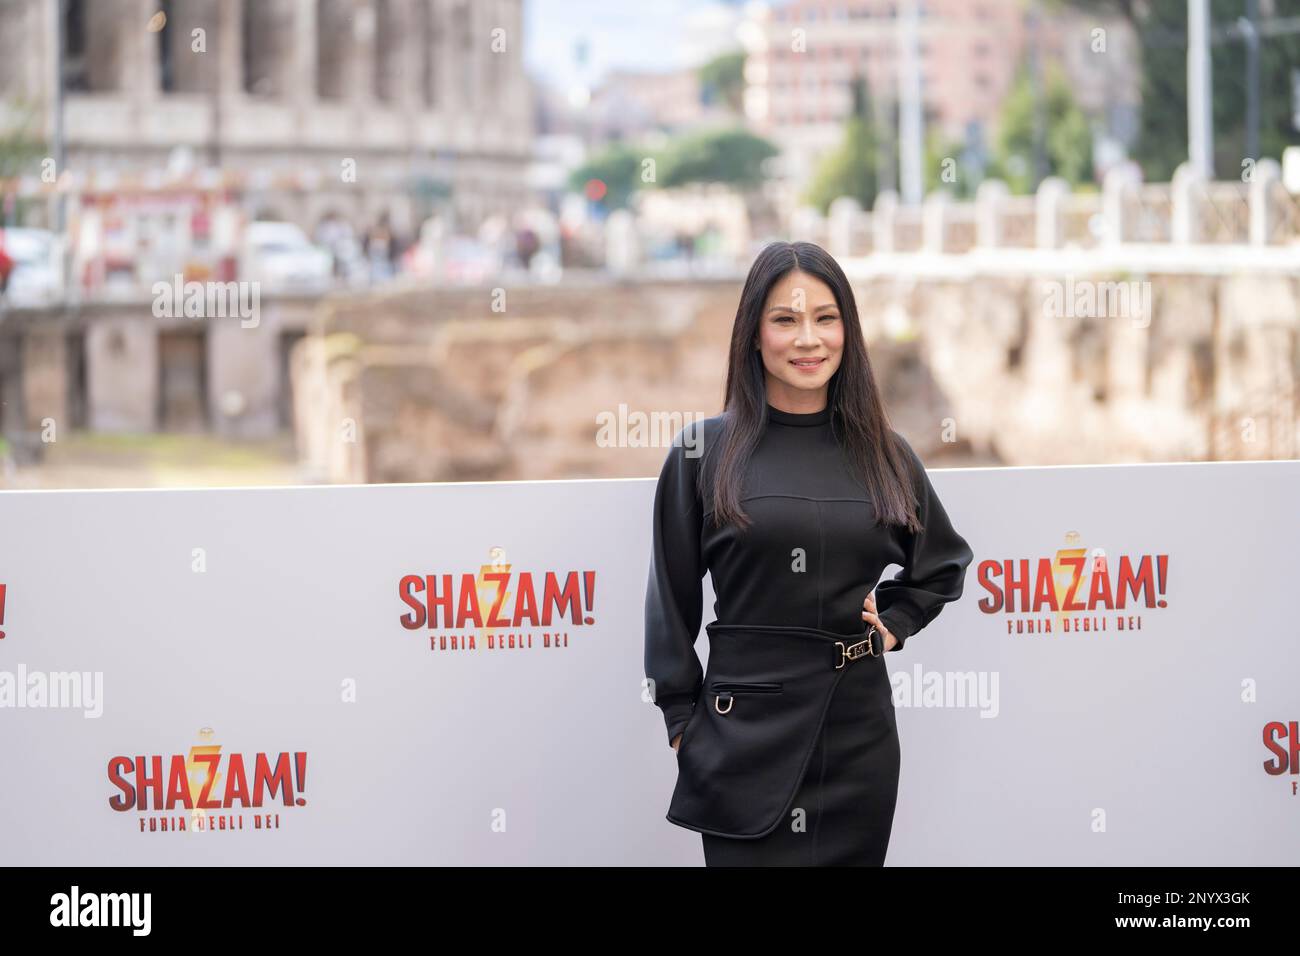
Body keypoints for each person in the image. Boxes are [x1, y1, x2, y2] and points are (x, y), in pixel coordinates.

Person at [643, 240, 974, 866]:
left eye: (825, 318)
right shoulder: (701, 453)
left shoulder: (885, 452)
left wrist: (896, 623)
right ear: (753, 334)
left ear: (847, 329)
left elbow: (942, 562)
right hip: (740, 736)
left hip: (857, 738)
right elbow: (670, 600)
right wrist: (682, 722)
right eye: (785, 320)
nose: (808, 339)